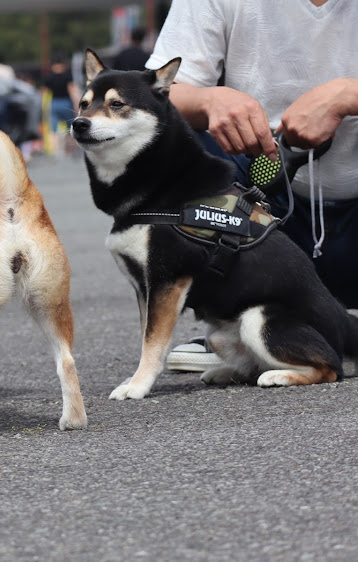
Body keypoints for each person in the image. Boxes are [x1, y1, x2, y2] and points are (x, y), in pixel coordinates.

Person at [145, 0, 358, 372]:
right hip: (266, 212)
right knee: (156, 139)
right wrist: (208, 99)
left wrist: (347, 93)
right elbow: (155, 94)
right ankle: (236, 325)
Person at [43, 52, 78, 156]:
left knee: (54, 129)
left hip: (54, 104)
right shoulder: (67, 75)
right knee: (70, 128)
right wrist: (76, 104)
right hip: (66, 103)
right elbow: (72, 90)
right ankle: (71, 150)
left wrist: (44, 107)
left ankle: (56, 151)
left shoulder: (49, 77)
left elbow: (44, 93)